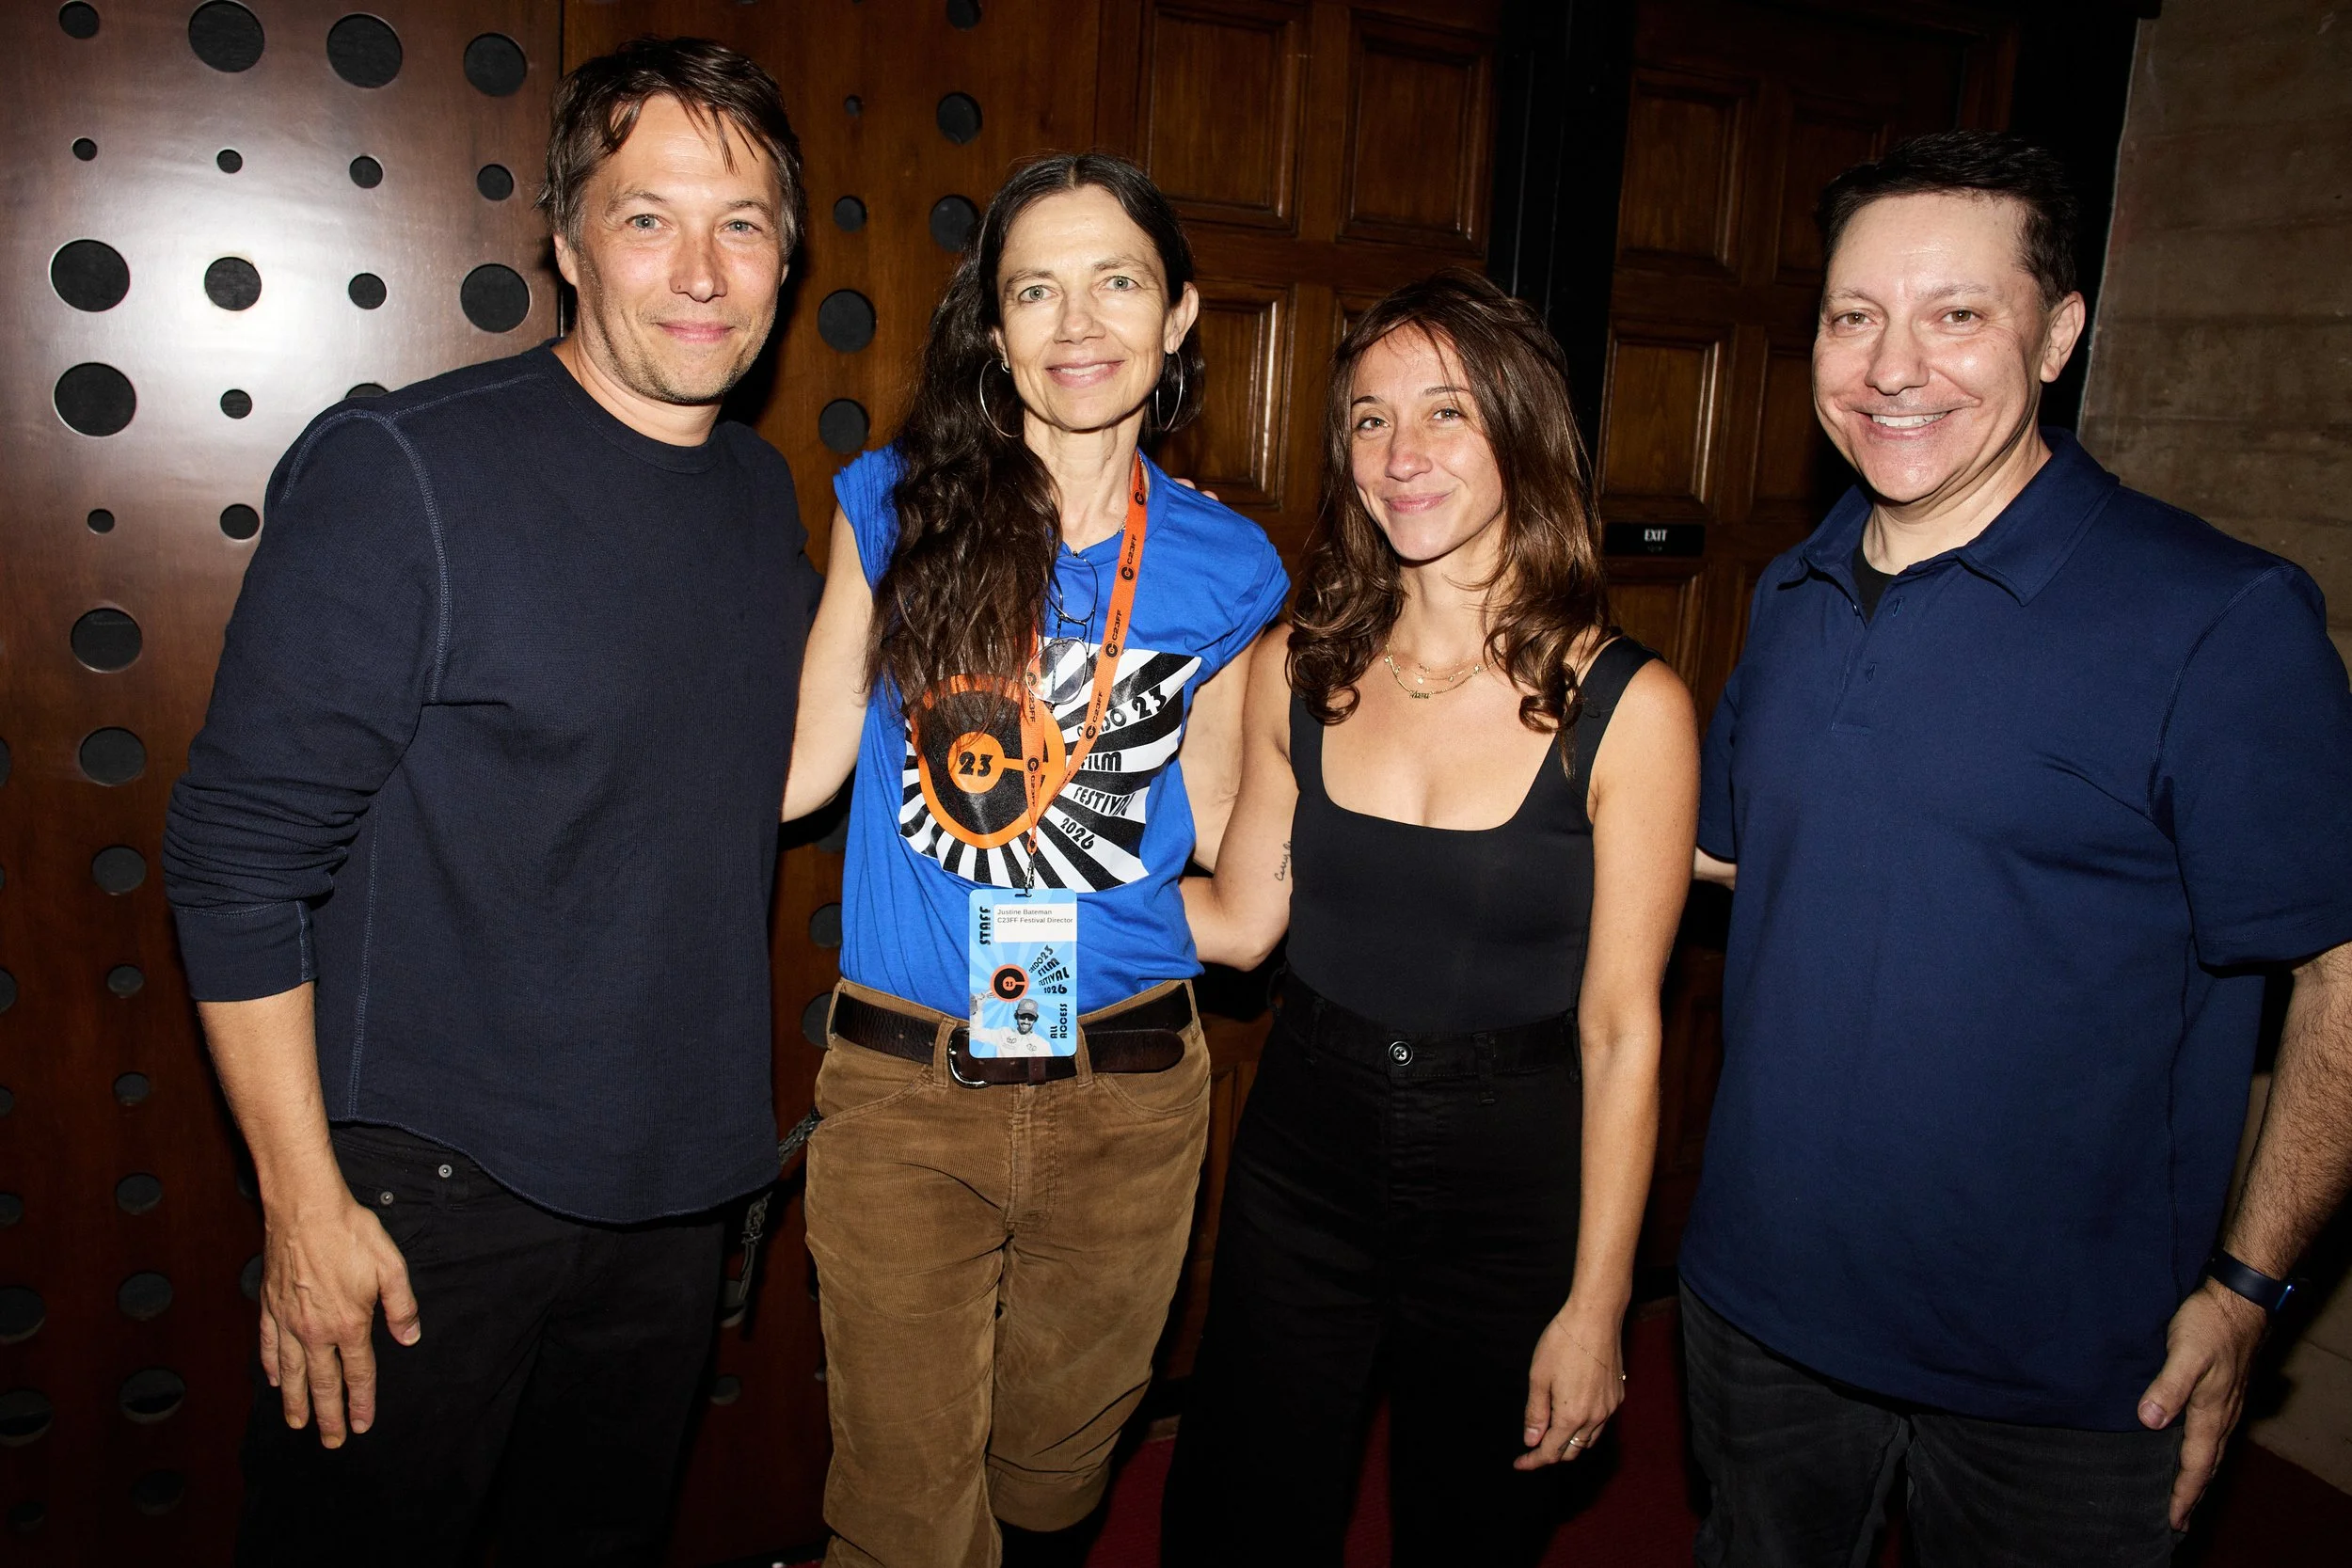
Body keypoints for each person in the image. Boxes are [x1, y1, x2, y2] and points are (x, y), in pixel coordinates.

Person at [160, 39, 818, 1567]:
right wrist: (305, 1207)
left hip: (670, 1204)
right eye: (649, 216)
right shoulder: (407, 473)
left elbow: (739, 782)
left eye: (745, 223)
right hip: (426, 1209)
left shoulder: (754, 498)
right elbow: (234, 858)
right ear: (568, 240)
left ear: (788, 253)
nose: (703, 270)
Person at [1683, 130, 2352, 1566]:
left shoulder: (2220, 622)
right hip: (1761, 1316)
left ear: (2058, 337)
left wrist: (2246, 1290)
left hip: (2065, 1376)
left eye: (1956, 314)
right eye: (1855, 315)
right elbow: (1725, 861)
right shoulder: (1793, 594)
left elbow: (2340, 974)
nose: (1891, 366)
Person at [782, 152, 1288, 1567]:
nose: (1079, 323)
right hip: (905, 1091)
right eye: (1036, 290)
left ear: (1178, 313)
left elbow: (1231, 862)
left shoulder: (1227, 566)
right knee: (899, 1518)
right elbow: (804, 764)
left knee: (1057, 1481)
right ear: (992, 329)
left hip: (1125, 1103)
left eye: (1118, 281)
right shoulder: (894, 504)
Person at [1159, 269, 1700, 1566]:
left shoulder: (1629, 708)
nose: (1401, 456)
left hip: (1514, 1171)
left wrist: (1599, 1299)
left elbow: (1624, 1033)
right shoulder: (1300, 669)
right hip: (1305, 1143)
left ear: (1520, 430)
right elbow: (1237, 920)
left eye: (1445, 413)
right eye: (1367, 420)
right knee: (1243, 1507)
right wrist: (1004, 900)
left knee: (1472, 1524)